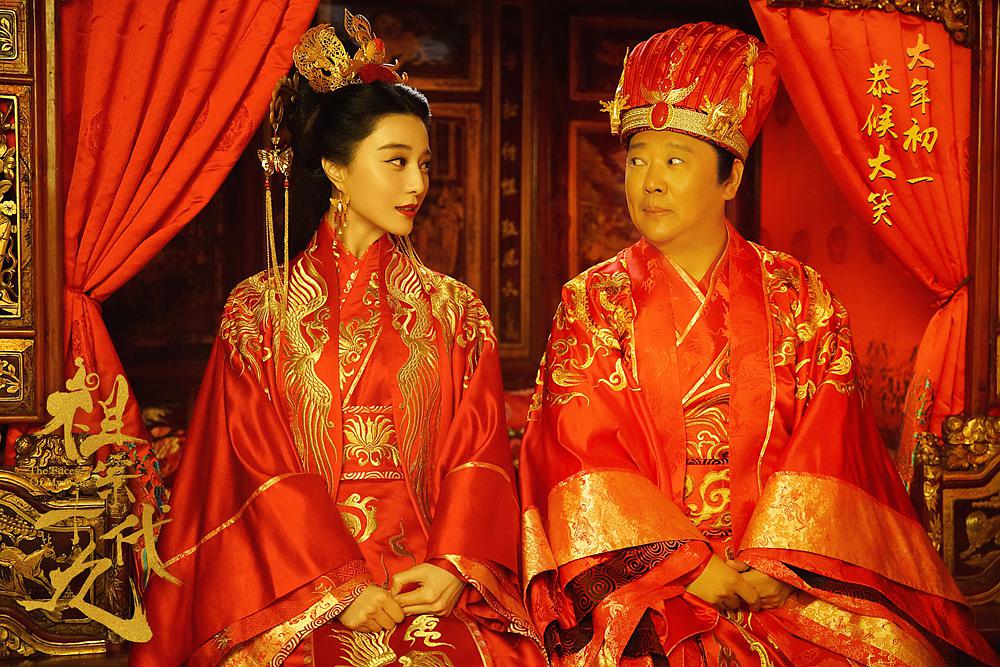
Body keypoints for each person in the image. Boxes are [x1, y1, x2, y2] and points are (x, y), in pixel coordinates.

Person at [518, 21, 999, 666]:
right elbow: (581, 453)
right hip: (645, 582)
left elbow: (834, 444)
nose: (649, 181)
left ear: (730, 178)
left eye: (675, 161)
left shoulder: (800, 296)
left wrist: (777, 566)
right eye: (637, 160)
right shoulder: (591, 301)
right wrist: (688, 566)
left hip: (785, 573)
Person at [131, 12, 543, 666]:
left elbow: (479, 455)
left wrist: (454, 567)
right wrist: (336, 588)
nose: (418, 184)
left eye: (424, 164)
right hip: (295, 587)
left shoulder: (456, 311)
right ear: (336, 168)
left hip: (428, 585)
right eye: (396, 162)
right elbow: (253, 470)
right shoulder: (258, 313)